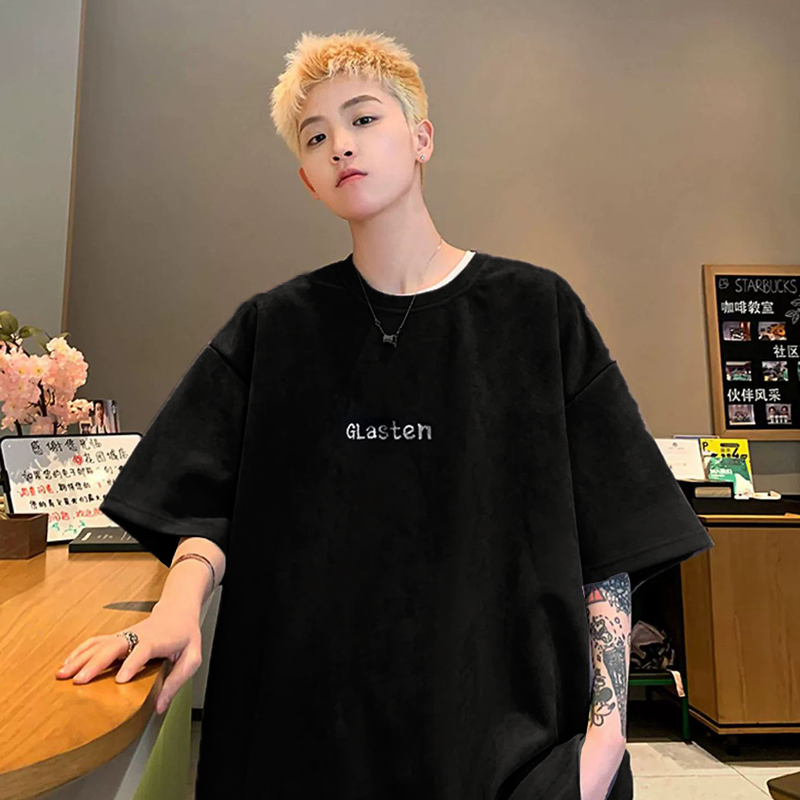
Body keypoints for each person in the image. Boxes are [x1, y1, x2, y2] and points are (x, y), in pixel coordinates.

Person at [55, 29, 714, 799]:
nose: (341, 144)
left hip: (505, 749)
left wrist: (603, 741)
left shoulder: (536, 313)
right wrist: (177, 608)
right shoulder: (275, 328)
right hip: (302, 745)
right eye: (315, 136)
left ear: (421, 138)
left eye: (364, 118)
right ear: (308, 180)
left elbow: (614, 535)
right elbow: (200, 499)